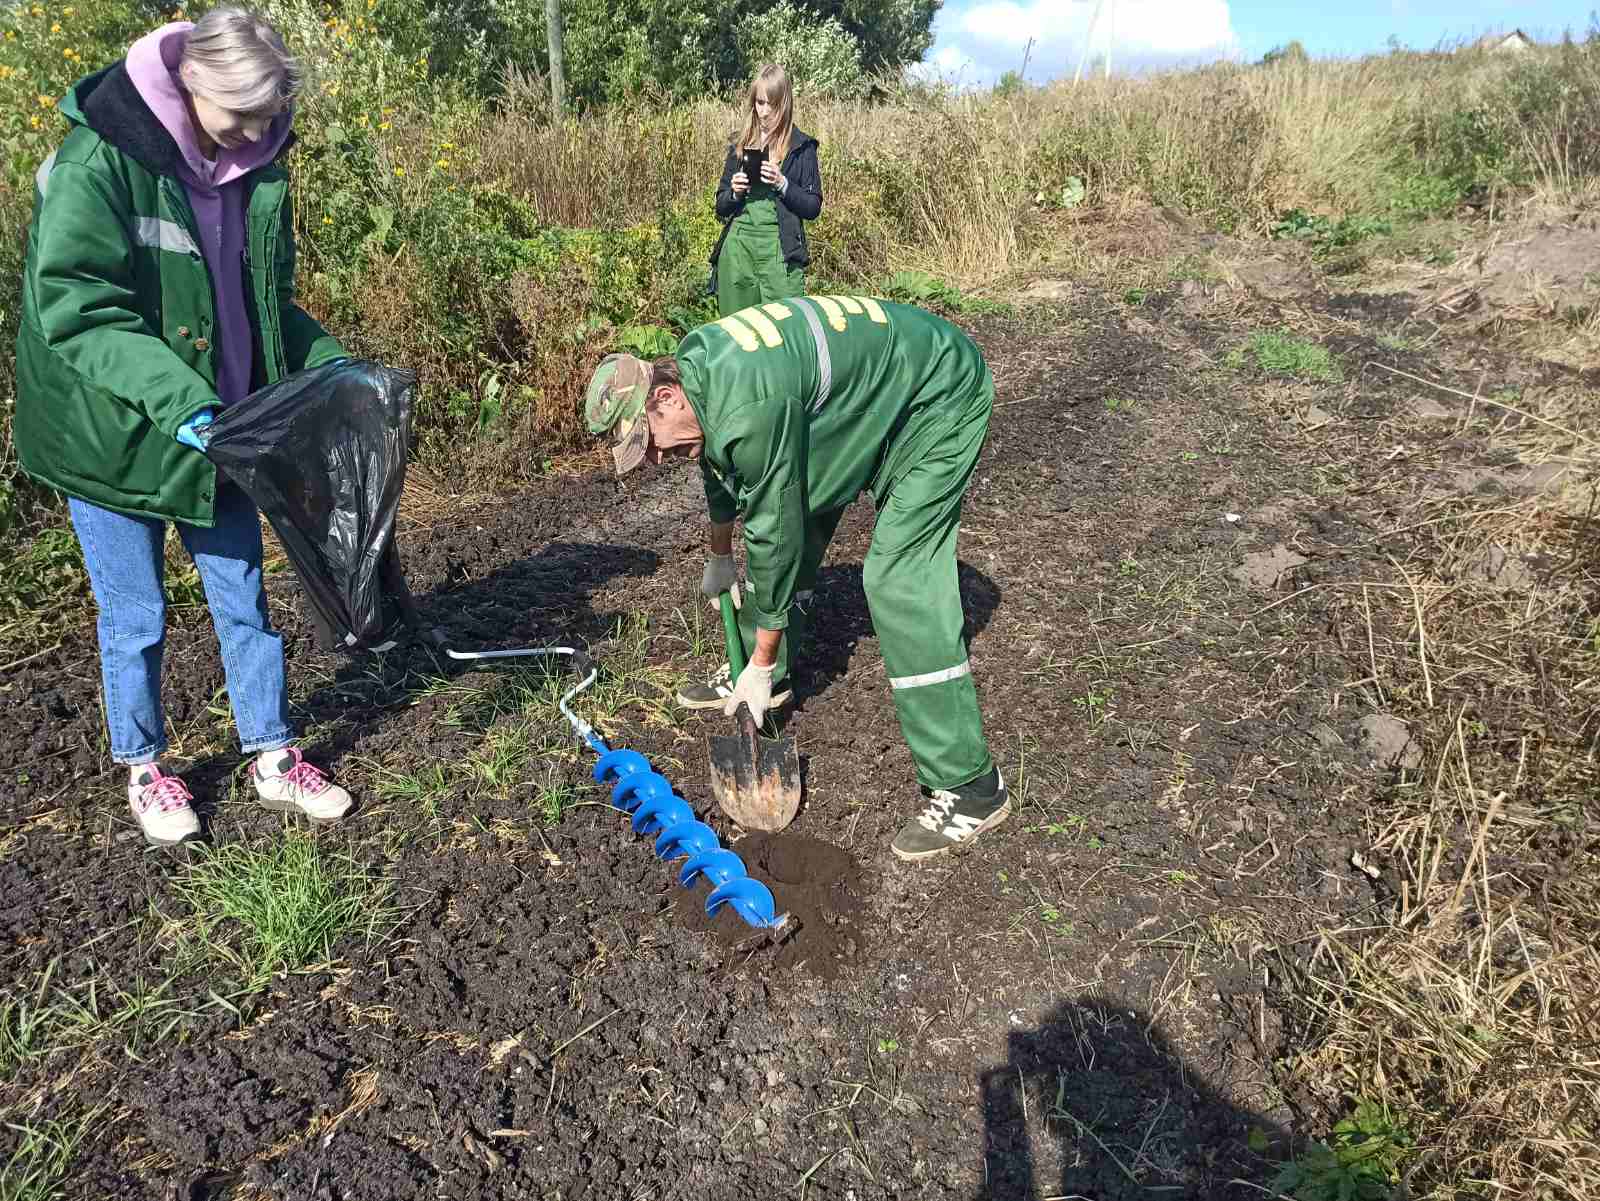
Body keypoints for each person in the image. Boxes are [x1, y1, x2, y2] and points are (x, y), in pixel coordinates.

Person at [14, 8, 354, 846]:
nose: (259, 133)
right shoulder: (101, 160)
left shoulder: (250, 163)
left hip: (223, 431)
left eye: (272, 118)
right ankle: (145, 766)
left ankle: (272, 753)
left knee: (245, 599)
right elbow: (81, 313)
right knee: (136, 616)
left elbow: (262, 308)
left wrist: (334, 368)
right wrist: (187, 406)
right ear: (193, 87)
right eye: (246, 115)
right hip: (115, 434)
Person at [585, 296, 1008, 861]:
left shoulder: (749, 403)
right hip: (869, 399)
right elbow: (720, 465)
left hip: (935, 396)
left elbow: (773, 528)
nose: (656, 459)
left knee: (898, 578)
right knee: (794, 518)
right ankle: (776, 675)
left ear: (664, 396)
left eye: (649, 440)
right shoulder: (698, 365)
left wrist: (756, 661)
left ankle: (971, 786)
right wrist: (719, 556)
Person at [708, 64, 823, 317]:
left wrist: (783, 184)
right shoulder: (740, 144)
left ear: (785, 103)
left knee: (785, 333)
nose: (765, 111)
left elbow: (813, 207)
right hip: (738, 251)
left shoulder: (801, 147)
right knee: (738, 334)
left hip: (779, 253)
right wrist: (735, 192)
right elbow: (720, 204)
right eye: (760, 102)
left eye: (772, 104)